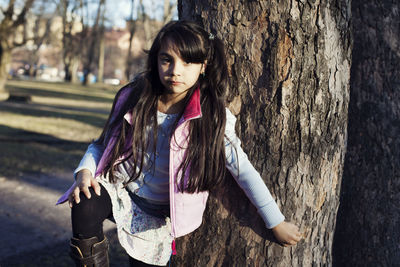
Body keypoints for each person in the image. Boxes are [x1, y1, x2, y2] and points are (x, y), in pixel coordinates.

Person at [57, 20, 302, 267]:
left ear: (203, 66)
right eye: (167, 60)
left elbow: (241, 168)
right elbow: (101, 145)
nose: (176, 70)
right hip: (121, 192)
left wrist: (276, 222)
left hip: (158, 216)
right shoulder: (133, 96)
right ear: (156, 61)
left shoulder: (212, 116)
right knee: (84, 201)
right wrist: (85, 172)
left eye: (187, 62)